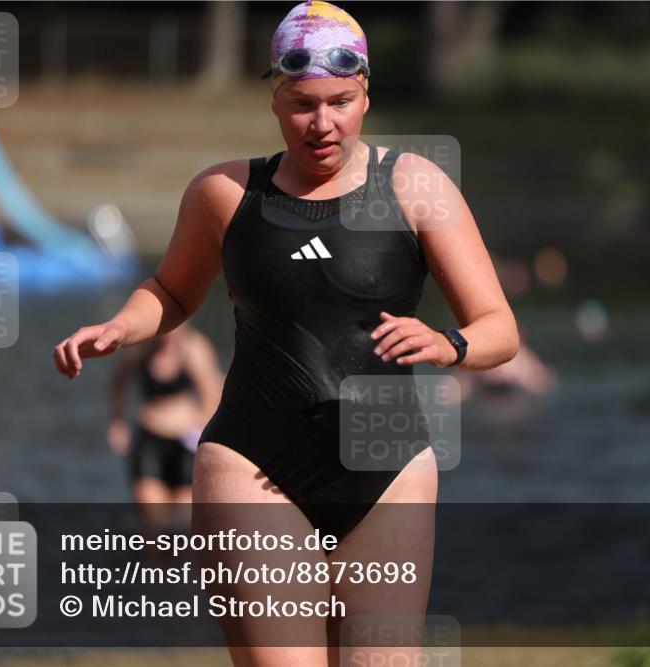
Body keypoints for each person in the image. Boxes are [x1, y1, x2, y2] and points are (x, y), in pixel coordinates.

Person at [54, 2, 518, 664]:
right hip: (253, 465)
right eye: (303, 103)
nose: (322, 123)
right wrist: (120, 328)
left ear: (365, 96)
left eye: (340, 101)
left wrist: (451, 345)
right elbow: (171, 291)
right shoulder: (226, 192)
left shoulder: (416, 186)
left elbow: (500, 327)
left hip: (389, 475)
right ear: (276, 96)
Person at [108, 321, 223, 529]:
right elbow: (118, 380)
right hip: (150, 441)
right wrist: (118, 422)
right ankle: (152, 560)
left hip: (185, 443)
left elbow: (211, 396)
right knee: (153, 523)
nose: (171, 333)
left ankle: (182, 561)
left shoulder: (194, 348)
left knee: (182, 525)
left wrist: (204, 438)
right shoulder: (143, 349)